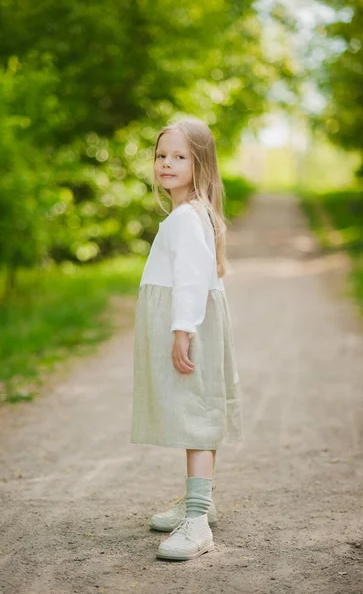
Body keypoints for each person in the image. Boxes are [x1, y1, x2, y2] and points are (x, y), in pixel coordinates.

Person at [130, 117, 243, 561]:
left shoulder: (186, 218)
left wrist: (182, 331)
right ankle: (200, 500)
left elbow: (193, 280)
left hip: (188, 322)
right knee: (196, 407)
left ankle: (196, 520)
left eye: (179, 157)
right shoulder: (187, 214)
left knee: (195, 413)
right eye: (161, 156)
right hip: (189, 319)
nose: (167, 163)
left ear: (200, 164)